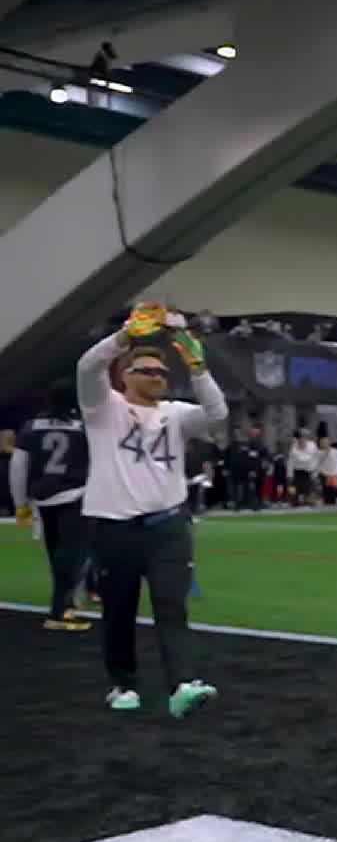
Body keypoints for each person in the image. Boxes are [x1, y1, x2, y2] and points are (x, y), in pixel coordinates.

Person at [79, 303, 228, 717]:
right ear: (125, 376)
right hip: (116, 527)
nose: (157, 377)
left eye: (162, 372)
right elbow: (88, 366)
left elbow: (217, 413)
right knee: (119, 610)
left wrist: (198, 368)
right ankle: (123, 684)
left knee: (172, 606)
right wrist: (125, 338)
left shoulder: (175, 414)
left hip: (168, 525)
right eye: (146, 371)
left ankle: (182, 683)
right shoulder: (103, 408)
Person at [9, 379, 93, 631]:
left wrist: (20, 504)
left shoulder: (31, 427)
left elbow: (18, 467)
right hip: (76, 495)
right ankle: (61, 611)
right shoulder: (83, 427)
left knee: (57, 554)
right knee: (73, 555)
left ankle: (64, 604)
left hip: (43, 498)